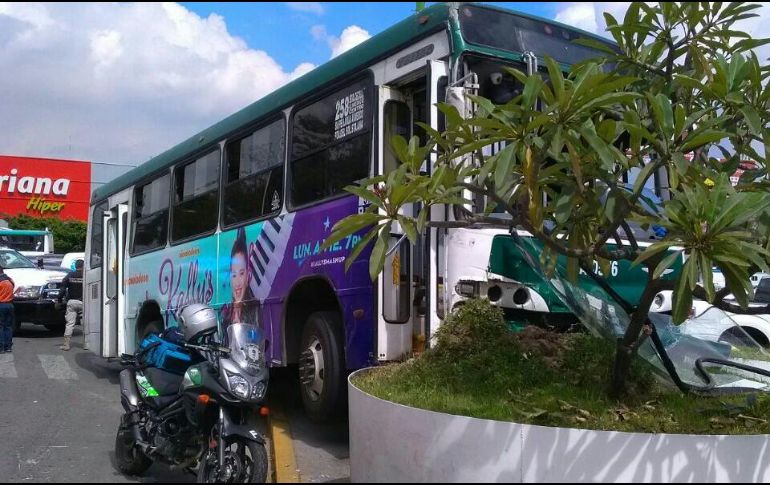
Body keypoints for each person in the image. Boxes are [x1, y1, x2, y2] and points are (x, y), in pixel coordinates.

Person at [220, 228, 259, 335]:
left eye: (241, 273)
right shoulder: (225, 314)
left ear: (247, 275)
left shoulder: (255, 308)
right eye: (234, 275)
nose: (237, 283)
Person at [59, 259, 85, 351]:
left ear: (75, 266)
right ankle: (86, 344)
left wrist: (59, 300)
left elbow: (62, 290)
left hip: (72, 302)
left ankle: (66, 345)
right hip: (84, 303)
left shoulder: (69, 275)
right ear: (83, 266)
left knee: (70, 324)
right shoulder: (86, 276)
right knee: (85, 324)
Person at [0, 266, 15, 353]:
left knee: (0, 326)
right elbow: (13, 288)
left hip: (1, 305)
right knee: (8, 326)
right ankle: (8, 346)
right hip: (10, 305)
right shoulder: (10, 280)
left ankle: (1, 347)